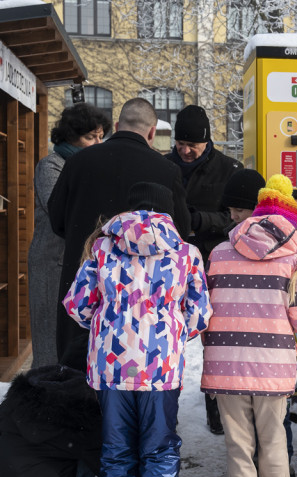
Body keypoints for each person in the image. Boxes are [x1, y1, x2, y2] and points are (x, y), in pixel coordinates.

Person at [63, 181, 210, 477]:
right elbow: (199, 315)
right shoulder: (186, 253)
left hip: (110, 370)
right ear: (168, 210)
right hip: (160, 371)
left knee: (115, 454)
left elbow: (77, 305)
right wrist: (170, 330)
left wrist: (111, 325)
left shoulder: (102, 248)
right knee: (159, 453)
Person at [201, 174, 297, 477]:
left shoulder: (219, 253)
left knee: (238, 444)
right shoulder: (294, 257)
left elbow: (205, 311)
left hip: (225, 365)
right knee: (273, 441)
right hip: (273, 367)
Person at [49, 97, 191, 371]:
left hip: (82, 283)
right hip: (139, 297)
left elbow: (57, 221)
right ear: (152, 132)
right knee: (132, 377)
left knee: (76, 371)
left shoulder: (78, 163)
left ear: (116, 125)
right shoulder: (166, 170)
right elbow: (180, 233)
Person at [166, 104, 243, 436]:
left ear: (207, 141)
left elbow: (236, 218)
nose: (185, 150)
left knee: (216, 337)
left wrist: (200, 220)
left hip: (213, 263)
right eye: (180, 143)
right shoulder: (164, 165)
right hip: (170, 264)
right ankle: (165, 407)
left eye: (192, 145)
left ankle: (216, 406)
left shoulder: (228, 168)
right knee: (166, 337)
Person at [30, 104, 110, 368]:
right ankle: (46, 394)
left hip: (80, 261)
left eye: (100, 137)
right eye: (91, 137)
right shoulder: (51, 165)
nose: (98, 143)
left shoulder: (92, 165)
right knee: (49, 335)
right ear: (70, 136)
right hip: (52, 262)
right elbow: (61, 211)